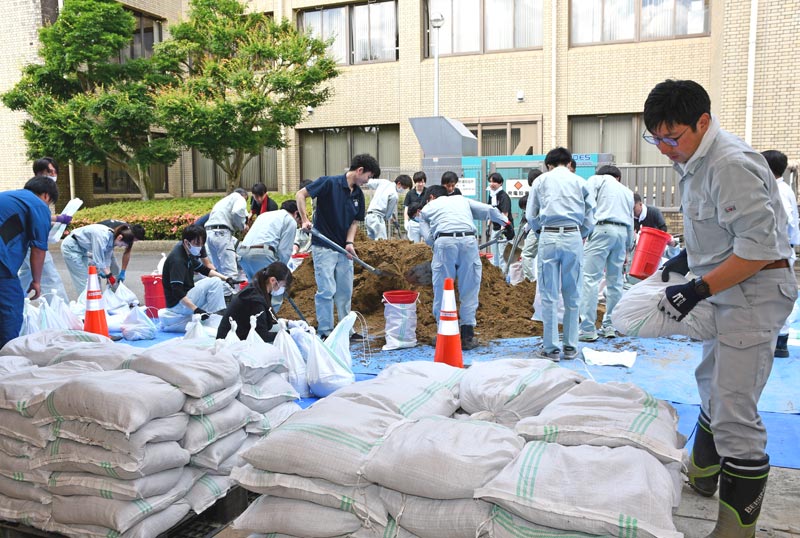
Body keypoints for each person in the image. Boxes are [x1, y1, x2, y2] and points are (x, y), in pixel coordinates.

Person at [645, 79, 796, 537]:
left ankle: (735, 530)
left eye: (672, 138)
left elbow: (757, 250)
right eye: (656, 139)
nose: (665, 149)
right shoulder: (694, 160)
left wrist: (697, 289)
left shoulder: (728, 163)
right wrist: (687, 261)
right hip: (726, 288)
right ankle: (705, 474)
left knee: (734, 410)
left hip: (753, 293)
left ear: (703, 122)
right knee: (711, 382)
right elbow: (720, 232)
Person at [296, 154, 380, 339]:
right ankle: (325, 331)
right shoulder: (329, 183)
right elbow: (300, 194)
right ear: (360, 170)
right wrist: (304, 219)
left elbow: (355, 222)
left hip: (343, 249)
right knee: (326, 291)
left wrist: (349, 243)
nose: (368, 181)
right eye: (368, 176)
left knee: (344, 292)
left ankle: (346, 331)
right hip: (323, 246)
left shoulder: (358, 194)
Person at [418, 184, 510, 350]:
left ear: (431, 197)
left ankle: (444, 334)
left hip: (444, 242)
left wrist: (436, 244)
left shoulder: (428, 207)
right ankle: (467, 336)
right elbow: (489, 210)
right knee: (469, 288)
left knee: (443, 288)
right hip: (468, 241)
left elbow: (427, 235)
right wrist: (506, 224)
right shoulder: (462, 200)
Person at [526, 147, 595, 361]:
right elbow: (590, 216)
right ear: (569, 163)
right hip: (573, 235)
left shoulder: (541, 181)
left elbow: (531, 215)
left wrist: (540, 232)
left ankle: (552, 349)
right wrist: (580, 234)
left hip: (549, 235)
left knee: (549, 295)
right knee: (573, 294)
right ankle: (571, 347)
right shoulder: (580, 182)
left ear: (549, 165)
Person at [0, 176, 58, 348]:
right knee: (10, 309)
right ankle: (6, 356)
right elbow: (38, 249)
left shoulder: (11, 198)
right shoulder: (38, 205)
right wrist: (37, 281)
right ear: (46, 196)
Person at [578, 165, 634, 341]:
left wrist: (584, 231)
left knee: (590, 279)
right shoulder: (627, 192)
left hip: (602, 229)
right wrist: (628, 247)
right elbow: (631, 221)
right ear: (618, 178)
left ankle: (588, 329)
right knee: (615, 282)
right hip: (622, 233)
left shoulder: (597, 180)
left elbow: (586, 205)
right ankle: (610, 326)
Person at [761, 150, 799, 358]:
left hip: (777, 252)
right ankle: (778, 340)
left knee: (778, 298)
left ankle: (780, 342)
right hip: (781, 250)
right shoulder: (783, 189)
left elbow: (782, 222)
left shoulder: (778, 191)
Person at [17, 158, 72, 303]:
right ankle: (62, 310)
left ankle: (12, 302)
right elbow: (37, 218)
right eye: (49, 171)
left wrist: (56, 222)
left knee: (25, 274)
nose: (53, 175)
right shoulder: (36, 192)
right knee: (50, 277)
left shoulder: (29, 192)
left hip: (22, 238)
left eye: (55, 171)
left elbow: (37, 218)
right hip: (29, 239)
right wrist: (58, 219)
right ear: (39, 173)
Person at [161, 224, 234, 325]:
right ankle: (214, 318)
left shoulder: (187, 252)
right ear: (186, 242)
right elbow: (177, 291)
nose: (200, 247)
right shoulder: (178, 260)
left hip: (184, 297)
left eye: (202, 244)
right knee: (215, 282)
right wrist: (196, 309)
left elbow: (204, 270)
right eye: (197, 243)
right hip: (177, 305)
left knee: (215, 281)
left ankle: (211, 317)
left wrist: (226, 279)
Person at [237, 200, 301, 313]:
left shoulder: (265, 215)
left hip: (243, 253)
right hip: (261, 254)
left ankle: (251, 317)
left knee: (255, 290)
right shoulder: (290, 220)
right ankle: (270, 319)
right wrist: (281, 273)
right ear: (296, 213)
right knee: (276, 289)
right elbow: (284, 251)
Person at [216, 261, 292, 342]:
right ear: (272, 280)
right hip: (231, 343)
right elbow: (262, 336)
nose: (282, 289)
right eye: (283, 286)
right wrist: (290, 333)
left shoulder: (260, 288)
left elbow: (267, 319)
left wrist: (288, 323)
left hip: (239, 335)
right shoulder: (255, 300)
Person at [60, 223, 136, 297]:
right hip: (71, 248)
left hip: (82, 249)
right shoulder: (102, 236)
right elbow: (98, 258)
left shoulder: (112, 239)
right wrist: (108, 275)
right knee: (84, 281)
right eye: (122, 244)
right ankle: (85, 303)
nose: (120, 246)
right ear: (119, 237)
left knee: (88, 281)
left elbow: (107, 259)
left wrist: (108, 274)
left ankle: (91, 302)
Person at [205, 188, 249, 290]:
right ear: (244, 196)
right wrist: (242, 226)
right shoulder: (239, 197)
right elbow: (237, 211)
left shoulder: (223, 201)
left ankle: (221, 296)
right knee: (230, 272)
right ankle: (231, 297)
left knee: (219, 273)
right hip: (221, 233)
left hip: (210, 234)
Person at [98, 219, 145, 285]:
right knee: (94, 272)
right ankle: (94, 290)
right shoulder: (119, 231)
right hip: (95, 243)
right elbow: (99, 252)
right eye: (135, 240)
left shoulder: (129, 234)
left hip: (107, 248)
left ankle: (113, 290)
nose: (134, 242)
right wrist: (100, 267)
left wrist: (123, 271)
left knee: (115, 270)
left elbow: (127, 252)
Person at [365, 174, 411, 240]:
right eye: (404, 188)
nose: (403, 190)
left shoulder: (384, 182)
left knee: (371, 242)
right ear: (399, 183)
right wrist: (393, 221)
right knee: (382, 242)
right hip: (377, 219)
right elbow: (387, 215)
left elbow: (368, 182)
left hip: (368, 217)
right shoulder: (394, 195)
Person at [520, 169, 543, 281]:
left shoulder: (536, 191)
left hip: (538, 227)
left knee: (527, 254)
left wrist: (531, 226)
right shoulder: (548, 189)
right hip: (551, 228)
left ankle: (530, 281)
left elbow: (531, 215)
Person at [486, 172, 512, 267]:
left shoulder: (503, 196)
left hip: (504, 229)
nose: (491, 184)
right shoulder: (492, 195)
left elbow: (504, 215)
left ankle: (504, 274)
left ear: (500, 183)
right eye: (490, 181)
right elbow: (490, 211)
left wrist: (502, 230)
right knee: (495, 254)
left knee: (502, 255)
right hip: (495, 228)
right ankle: (496, 273)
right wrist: (488, 226)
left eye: (494, 182)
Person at [404, 171, 428, 242]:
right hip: (413, 222)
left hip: (425, 222)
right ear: (415, 182)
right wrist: (406, 221)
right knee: (414, 244)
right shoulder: (410, 193)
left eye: (422, 182)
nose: (420, 184)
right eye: (418, 182)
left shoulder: (428, 192)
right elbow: (406, 208)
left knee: (427, 244)